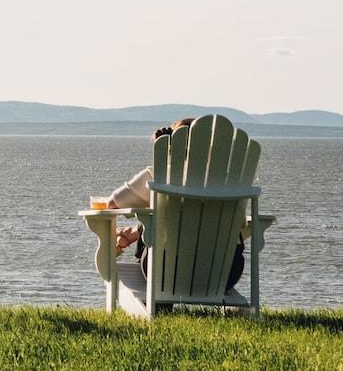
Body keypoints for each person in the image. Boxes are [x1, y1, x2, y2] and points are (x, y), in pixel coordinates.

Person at [102, 116, 246, 290]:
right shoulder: (231, 183)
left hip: (164, 273)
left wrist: (153, 206)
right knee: (172, 220)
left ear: (171, 145)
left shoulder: (156, 176)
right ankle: (137, 230)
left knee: (161, 220)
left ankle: (159, 301)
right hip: (225, 274)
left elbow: (112, 204)